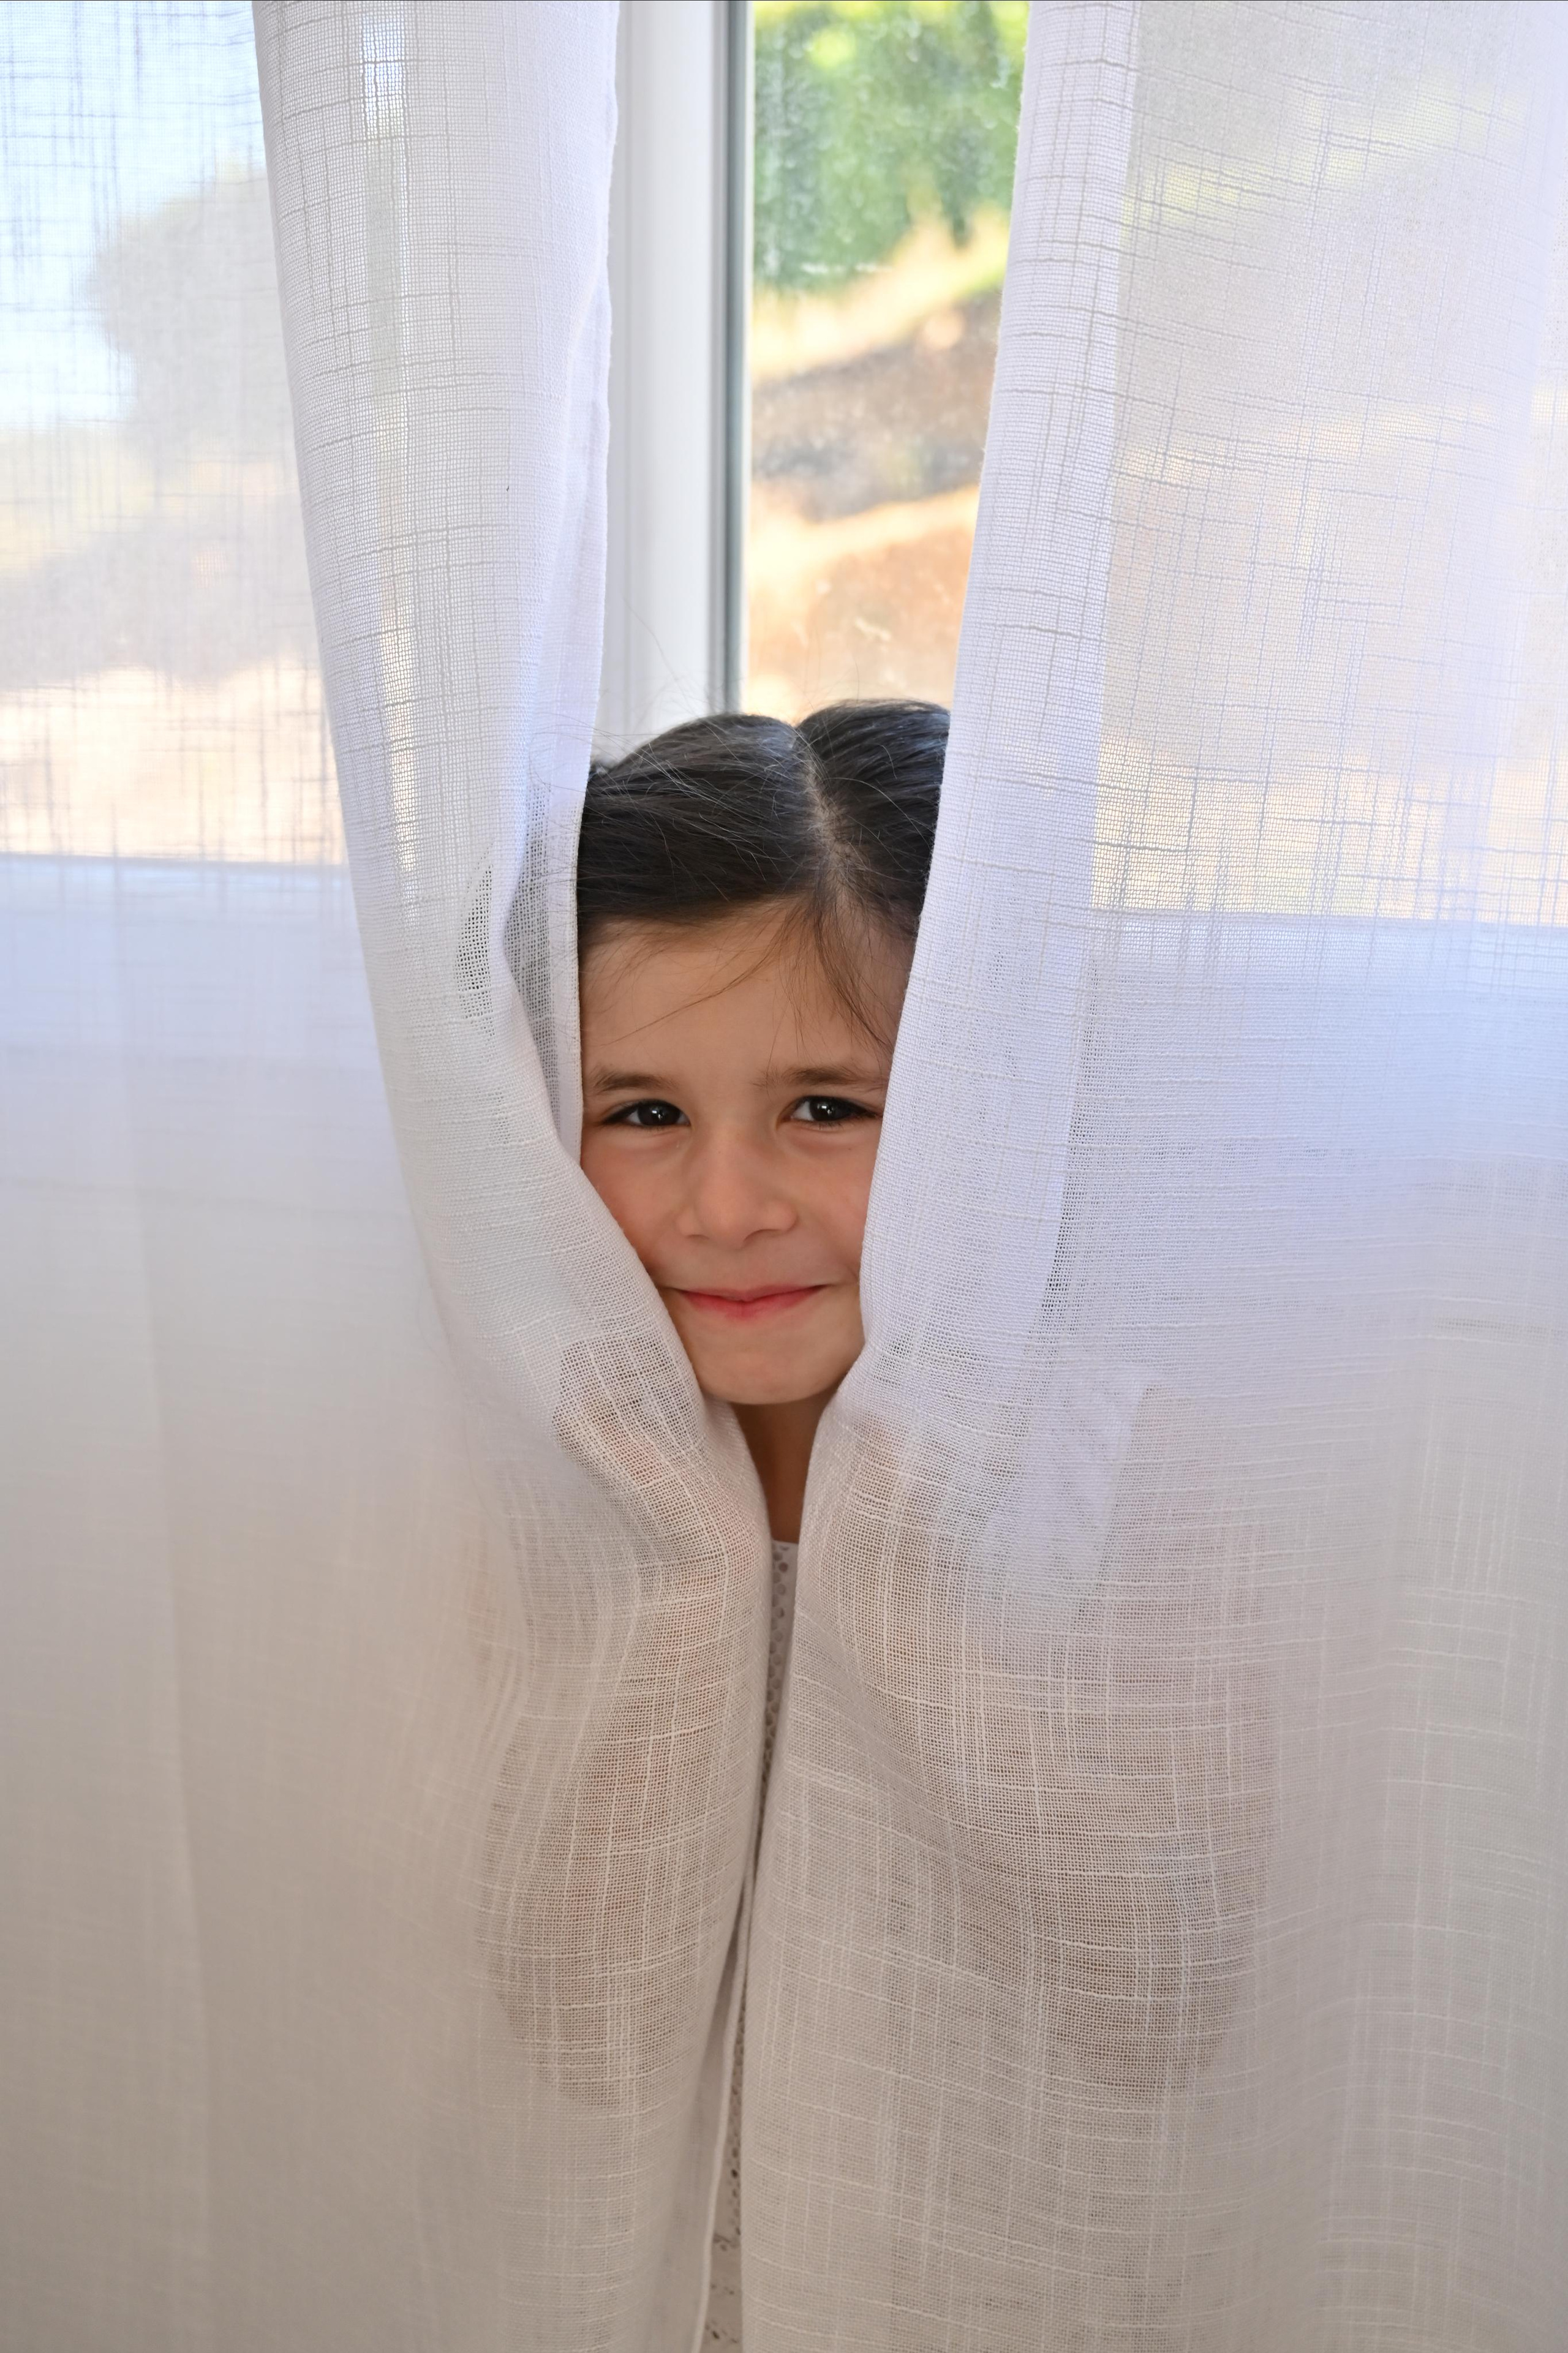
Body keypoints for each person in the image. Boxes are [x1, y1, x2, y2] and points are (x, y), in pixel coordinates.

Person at [573, 699, 946, 2348]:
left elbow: (1158, 2013)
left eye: (827, 1107)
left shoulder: (1106, 1498)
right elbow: (548, 1999)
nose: (727, 1207)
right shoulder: (524, 1483)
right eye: (641, 1113)